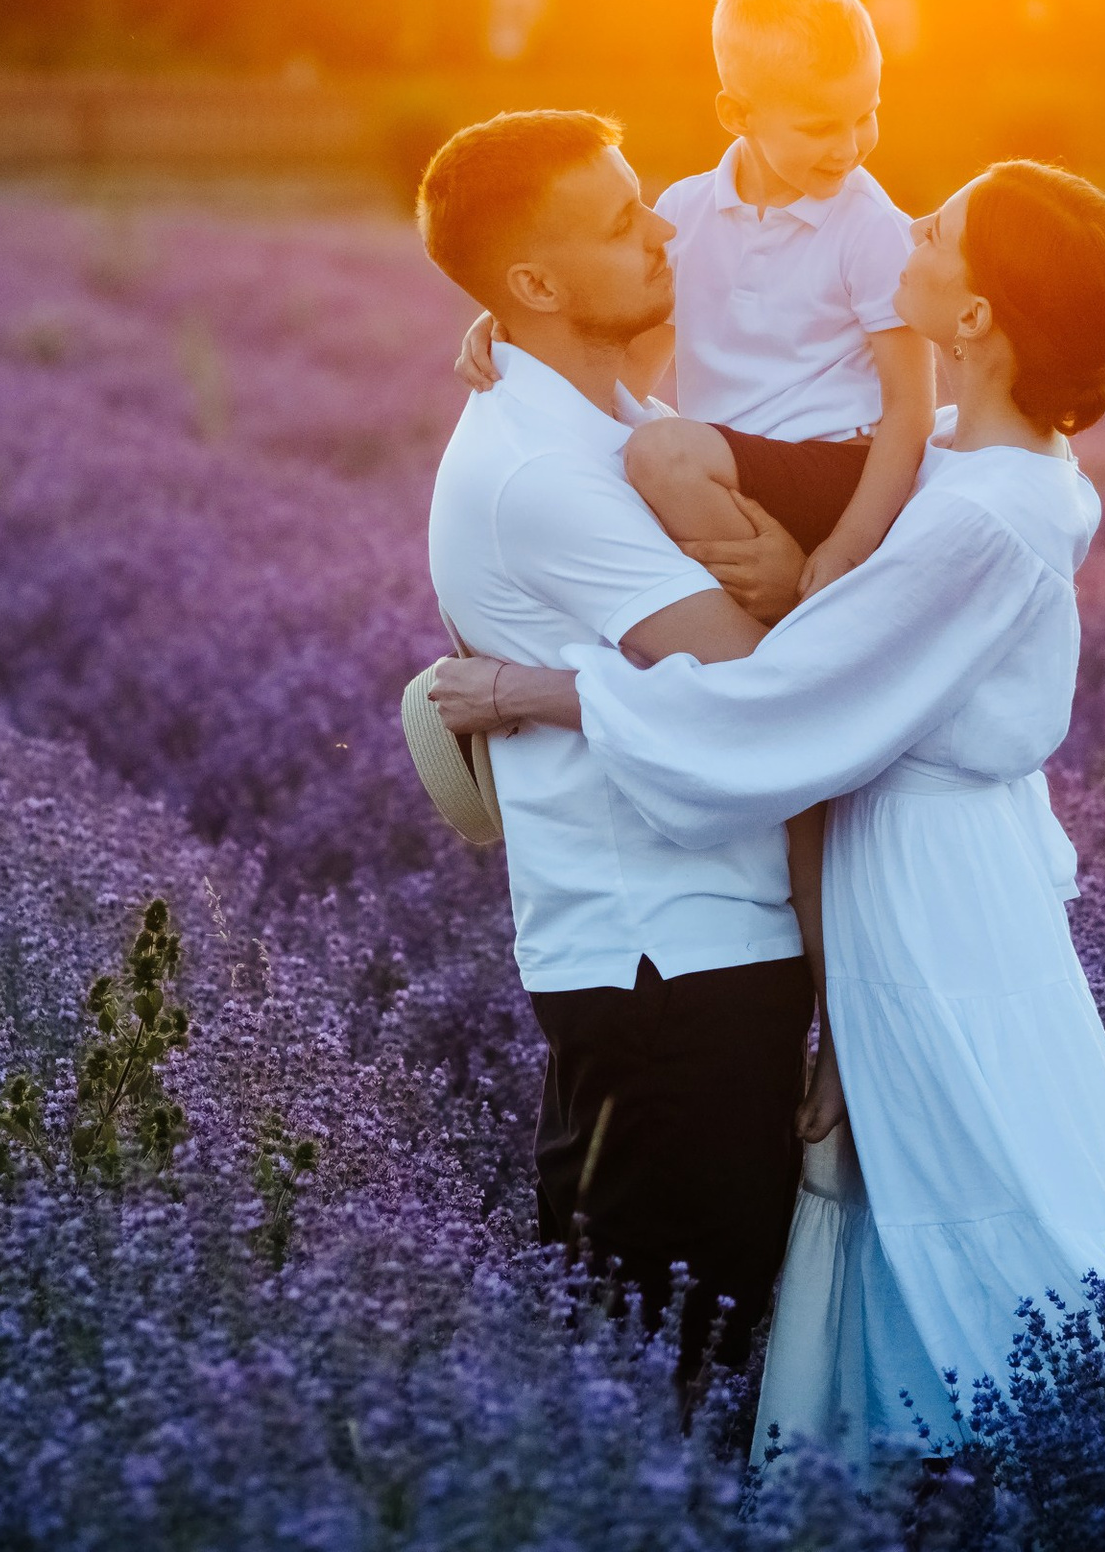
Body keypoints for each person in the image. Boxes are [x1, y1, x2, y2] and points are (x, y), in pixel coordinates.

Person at [432, 160, 1105, 1479]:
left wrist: (534, 689)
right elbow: (752, 448)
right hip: (896, 874)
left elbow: (788, 698)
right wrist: (529, 344)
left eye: (939, 229)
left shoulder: (993, 514)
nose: (905, 228)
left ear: (976, 319)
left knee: (973, 1166)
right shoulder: (972, 464)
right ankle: (970, 1470)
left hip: (929, 885)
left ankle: (1047, 1468)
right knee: (911, 1174)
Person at [414, 107, 825, 1385]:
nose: (662, 231)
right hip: (667, 958)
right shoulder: (547, 468)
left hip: (692, 944)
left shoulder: (605, 419)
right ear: (532, 285)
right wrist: (809, 587)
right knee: (675, 1368)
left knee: (667, 1347)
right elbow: (753, 684)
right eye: (618, 223)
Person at [455, 0, 936, 620]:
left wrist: (850, 547)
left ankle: (764, 640)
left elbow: (911, 408)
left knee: (660, 452)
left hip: (840, 473)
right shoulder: (687, 209)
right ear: (737, 114)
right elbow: (628, 367)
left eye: (867, 114)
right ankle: (709, 638)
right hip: (731, 476)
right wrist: (512, 327)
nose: (850, 147)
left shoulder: (872, 229)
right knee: (629, 459)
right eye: (821, 127)